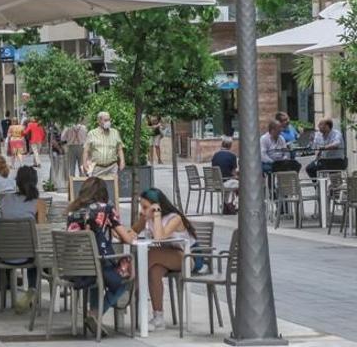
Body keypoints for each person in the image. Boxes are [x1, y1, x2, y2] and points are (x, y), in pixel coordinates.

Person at [66, 177, 138, 336]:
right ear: (104, 193)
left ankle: (93, 314)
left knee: (97, 273)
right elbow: (126, 239)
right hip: (97, 266)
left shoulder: (73, 210)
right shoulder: (106, 209)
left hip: (76, 269)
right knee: (127, 276)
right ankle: (96, 313)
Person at [133, 188, 197, 331]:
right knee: (154, 272)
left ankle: (131, 287)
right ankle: (158, 317)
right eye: (141, 206)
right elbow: (132, 233)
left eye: (145, 207)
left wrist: (156, 216)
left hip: (184, 257)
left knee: (151, 254)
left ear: (157, 206)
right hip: (163, 258)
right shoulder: (147, 217)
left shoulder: (175, 218)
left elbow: (160, 238)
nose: (142, 210)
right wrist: (143, 218)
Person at [0, 166, 47, 313]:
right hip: (28, 256)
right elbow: (42, 231)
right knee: (37, 254)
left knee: (32, 251)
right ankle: (32, 289)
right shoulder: (38, 203)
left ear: (17, 182)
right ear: (36, 181)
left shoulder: (5, 200)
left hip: (3, 254)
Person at [82, 112, 125, 179]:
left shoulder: (115, 133)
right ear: (99, 121)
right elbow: (86, 150)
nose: (108, 122)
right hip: (97, 168)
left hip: (112, 167)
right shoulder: (92, 134)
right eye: (105, 120)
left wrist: (122, 161)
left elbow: (119, 149)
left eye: (109, 120)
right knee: (97, 188)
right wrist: (84, 164)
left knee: (112, 188)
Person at [211, 137, 240, 204]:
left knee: (232, 182)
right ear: (230, 145)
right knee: (242, 184)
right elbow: (234, 173)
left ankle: (226, 203)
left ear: (222, 144)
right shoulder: (232, 156)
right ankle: (235, 203)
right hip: (225, 183)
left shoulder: (215, 155)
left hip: (216, 183)